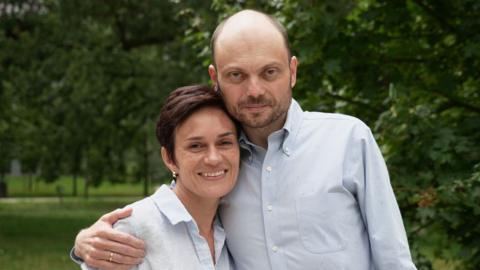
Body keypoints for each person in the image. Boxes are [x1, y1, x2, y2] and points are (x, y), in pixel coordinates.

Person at [72, 9, 417, 270]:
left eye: (270, 72)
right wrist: (86, 244)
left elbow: (394, 258)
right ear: (216, 76)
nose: (254, 90)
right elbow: (175, 208)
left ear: (293, 71)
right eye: (237, 75)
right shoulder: (222, 166)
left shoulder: (347, 139)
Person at [78, 85, 239, 269]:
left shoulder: (234, 227)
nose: (213, 158)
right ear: (169, 158)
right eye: (196, 146)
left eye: (225, 143)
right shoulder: (133, 229)